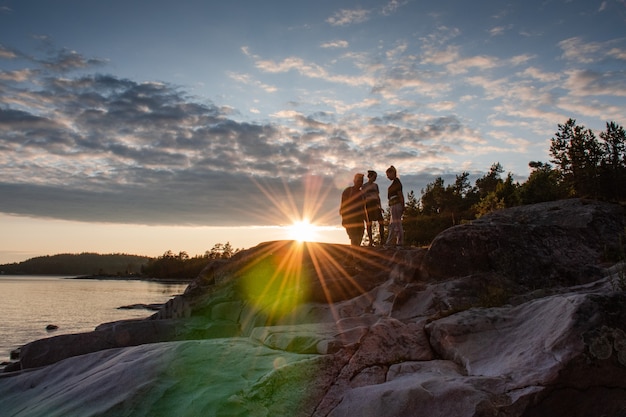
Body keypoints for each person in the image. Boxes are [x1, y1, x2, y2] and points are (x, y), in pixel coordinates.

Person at [340, 173, 366, 246]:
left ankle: (353, 255)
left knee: (359, 237)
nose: (360, 183)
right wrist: (344, 218)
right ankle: (353, 255)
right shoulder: (348, 191)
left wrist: (366, 219)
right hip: (350, 218)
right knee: (354, 238)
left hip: (360, 219)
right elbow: (343, 205)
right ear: (354, 181)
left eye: (361, 181)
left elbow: (364, 207)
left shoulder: (362, 193)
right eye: (358, 181)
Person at [362, 170, 384, 246]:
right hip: (368, 204)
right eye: (374, 177)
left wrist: (380, 207)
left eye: (376, 177)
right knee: (369, 223)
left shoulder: (375, 185)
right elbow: (363, 197)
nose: (375, 178)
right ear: (370, 176)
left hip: (375, 204)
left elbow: (378, 197)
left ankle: (382, 240)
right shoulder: (364, 186)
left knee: (381, 221)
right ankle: (370, 240)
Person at [385, 165, 404, 247]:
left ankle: (400, 242)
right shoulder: (395, 183)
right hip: (393, 205)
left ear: (392, 173)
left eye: (388, 174)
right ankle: (389, 242)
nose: (387, 177)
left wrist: (403, 205)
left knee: (397, 223)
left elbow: (400, 194)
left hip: (396, 204)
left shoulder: (397, 182)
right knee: (392, 224)